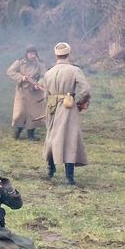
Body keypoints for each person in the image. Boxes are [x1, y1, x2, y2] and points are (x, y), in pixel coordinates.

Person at [43, 42, 91, 185]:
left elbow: (46, 95)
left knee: (52, 138)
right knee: (69, 139)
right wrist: (77, 100)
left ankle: (51, 170)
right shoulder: (74, 70)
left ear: (56, 55)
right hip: (67, 107)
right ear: (68, 54)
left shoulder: (48, 73)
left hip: (51, 107)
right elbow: (86, 89)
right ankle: (69, 177)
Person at [6, 45, 46, 140]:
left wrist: (39, 84)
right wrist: (21, 78)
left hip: (34, 92)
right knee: (19, 113)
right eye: (31, 54)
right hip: (22, 91)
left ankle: (31, 135)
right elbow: (10, 71)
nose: (33, 56)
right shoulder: (20, 62)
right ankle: (17, 132)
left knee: (33, 113)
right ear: (27, 54)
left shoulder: (40, 64)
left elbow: (44, 76)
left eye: (34, 53)